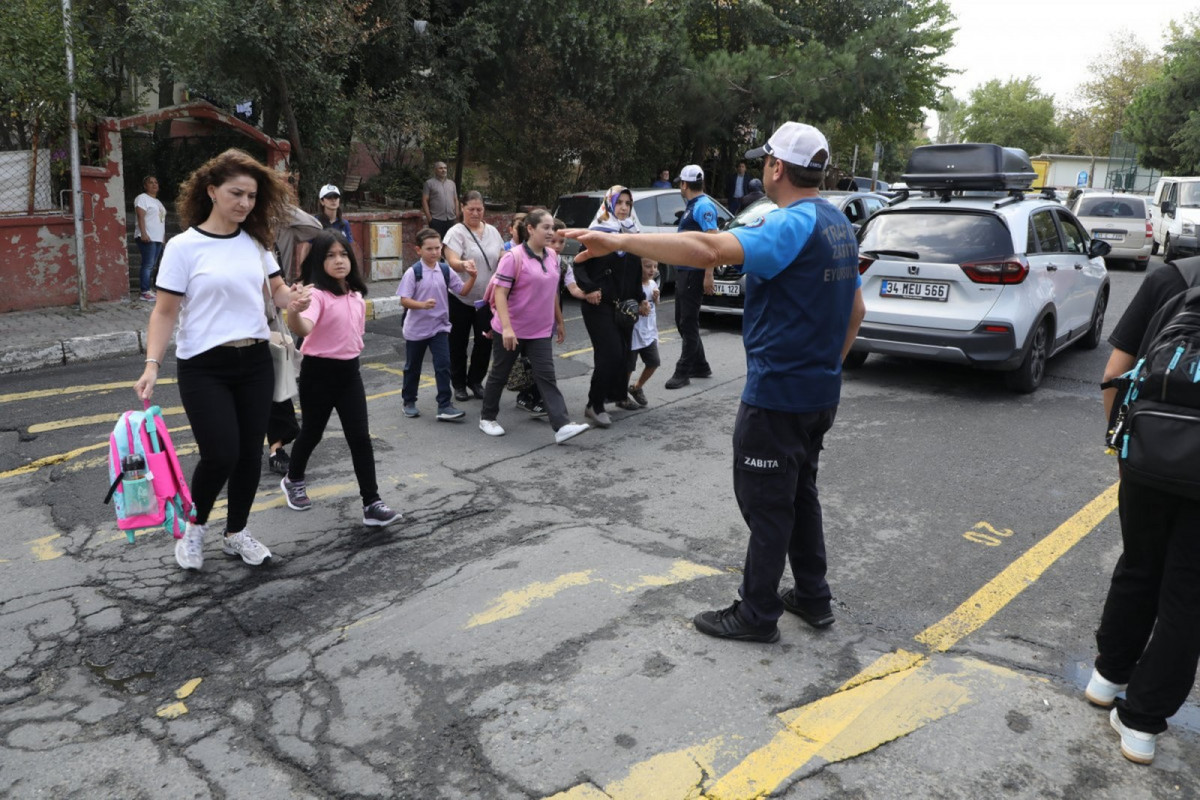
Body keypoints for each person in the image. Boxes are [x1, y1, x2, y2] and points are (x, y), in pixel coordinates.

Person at [566, 121, 866, 643]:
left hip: (778, 397)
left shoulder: (789, 224)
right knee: (800, 494)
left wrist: (617, 239)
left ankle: (757, 614)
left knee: (766, 503)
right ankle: (813, 597)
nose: (762, 168)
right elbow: (856, 311)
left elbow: (706, 250)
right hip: (819, 393)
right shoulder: (836, 222)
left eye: (764, 160)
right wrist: (828, 369)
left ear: (777, 167)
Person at [135, 148, 308, 571]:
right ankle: (194, 529)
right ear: (211, 191)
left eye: (251, 196)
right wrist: (152, 364)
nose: (245, 203)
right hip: (203, 366)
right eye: (236, 193)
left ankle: (236, 533)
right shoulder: (183, 247)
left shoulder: (256, 243)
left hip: (255, 362)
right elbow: (164, 312)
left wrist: (294, 298)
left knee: (249, 454)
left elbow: (277, 292)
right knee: (221, 453)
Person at [1089, 256, 1200, 765]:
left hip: (1149, 451)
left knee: (1138, 563)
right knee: (1189, 594)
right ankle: (1142, 724)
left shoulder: (1173, 277)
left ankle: (1107, 677)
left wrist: (1122, 450)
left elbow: (1115, 373)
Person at [279, 231, 401, 527]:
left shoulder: (356, 295)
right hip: (318, 374)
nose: (339, 261)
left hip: (349, 374)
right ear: (319, 262)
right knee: (312, 432)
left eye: (343, 254)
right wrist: (293, 312)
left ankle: (372, 503)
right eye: (330, 256)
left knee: (360, 438)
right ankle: (293, 479)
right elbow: (303, 328)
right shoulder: (317, 296)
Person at [478, 208, 590, 445]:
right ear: (530, 228)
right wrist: (507, 328)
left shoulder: (553, 257)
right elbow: (500, 293)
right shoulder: (513, 257)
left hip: (539, 330)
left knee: (546, 376)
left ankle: (562, 426)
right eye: (545, 228)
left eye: (552, 228)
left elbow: (553, 293)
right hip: (511, 329)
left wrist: (560, 320)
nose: (550, 232)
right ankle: (487, 418)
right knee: (500, 373)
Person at [575, 185, 645, 426]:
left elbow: (635, 273)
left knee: (623, 354)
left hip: (624, 307)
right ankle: (594, 405)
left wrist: (641, 299)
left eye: (628, 203)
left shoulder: (632, 234)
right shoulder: (597, 233)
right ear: (609, 204)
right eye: (619, 203)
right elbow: (579, 266)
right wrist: (589, 289)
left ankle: (617, 396)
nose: (624, 208)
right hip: (598, 306)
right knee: (610, 353)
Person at [266, 200, 325, 476]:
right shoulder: (238, 240)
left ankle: (276, 448)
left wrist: (281, 206)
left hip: (273, 316)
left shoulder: (283, 230)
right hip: (240, 323)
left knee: (278, 384)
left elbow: (314, 227)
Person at [515, 218, 593, 415]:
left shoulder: (562, 264)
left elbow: (571, 289)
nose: (557, 246)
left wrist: (587, 294)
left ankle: (534, 397)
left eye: (561, 242)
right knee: (523, 361)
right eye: (553, 241)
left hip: (545, 321)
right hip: (524, 319)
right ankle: (524, 396)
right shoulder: (526, 258)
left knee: (540, 361)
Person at [397, 228, 477, 421]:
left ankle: (444, 405)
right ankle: (409, 401)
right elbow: (404, 300)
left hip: (439, 327)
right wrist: (422, 305)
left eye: (437, 248)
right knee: (413, 367)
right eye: (429, 248)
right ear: (418, 250)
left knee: (443, 365)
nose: (434, 252)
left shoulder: (445, 270)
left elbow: (462, 291)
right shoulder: (413, 272)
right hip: (416, 329)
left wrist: (473, 277)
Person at [443, 190, 503, 402]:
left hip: (486, 299)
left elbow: (500, 255)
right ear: (462, 208)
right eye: (471, 209)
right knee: (457, 343)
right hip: (460, 298)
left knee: (485, 341)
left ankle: (476, 381)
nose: (475, 213)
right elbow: (452, 260)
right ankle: (458, 384)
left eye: (479, 209)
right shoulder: (456, 232)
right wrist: (463, 265)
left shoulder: (493, 232)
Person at [664, 164, 719, 390]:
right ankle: (700, 365)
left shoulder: (703, 206)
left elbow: (713, 241)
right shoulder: (694, 205)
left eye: (680, 183)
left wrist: (708, 275)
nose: (680, 187)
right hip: (686, 270)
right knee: (683, 320)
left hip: (694, 272)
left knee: (687, 321)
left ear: (685, 184)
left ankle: (683, 371)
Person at [626, 257, 662, 408]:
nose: (652, 270)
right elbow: (626, 308)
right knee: (628, 367)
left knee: (654, 362)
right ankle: (621, 394)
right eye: (648, 266)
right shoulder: (632, 286)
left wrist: (656, 298)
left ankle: (637, 387)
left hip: (649, 332)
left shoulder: (653, 284)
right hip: (634, 333)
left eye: (655, 266)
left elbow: (655, 305)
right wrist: (638, 309)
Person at [134, 176, 167, 301]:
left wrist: (163, 238)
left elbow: (161, 221)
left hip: (157, 238)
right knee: (147, 265)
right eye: (150, 182)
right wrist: (143, 233)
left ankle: (149, 289)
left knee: (152, 265)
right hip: (147, 237)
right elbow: (140, 217)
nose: (154, 184)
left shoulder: (158, 202)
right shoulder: (142, 198)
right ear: (145, 186)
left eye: (156, 182)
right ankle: (144, 292)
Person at [422, 161, 459, 238]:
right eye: (441, 168)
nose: (443, 170)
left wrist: (457, 214)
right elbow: (424, 200)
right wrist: (429, 218)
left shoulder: (452, 184)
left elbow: (455, 199)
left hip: (451, 219)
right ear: (435, 170)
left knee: (451, 241)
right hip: (436, 219)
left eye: (445, 168)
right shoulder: (429, 183)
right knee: (437, 241)